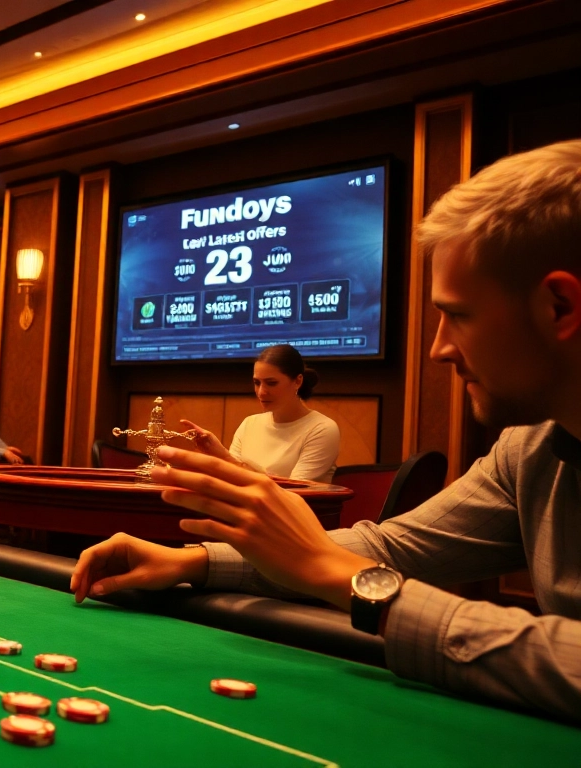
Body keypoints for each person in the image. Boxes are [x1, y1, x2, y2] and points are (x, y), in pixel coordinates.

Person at [70, 139, 581, 723]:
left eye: (458, 315)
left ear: (560, 307)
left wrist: (352, 583)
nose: (439, 348)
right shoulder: (528, 447)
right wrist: (195, 561)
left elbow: (346, 568)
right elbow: (390, 548)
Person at [179, 344, 341, 483]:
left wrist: (225, 457)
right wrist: (212, 456)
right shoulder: (249, 423)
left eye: (271, 383)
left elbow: (292, 496)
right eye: (257, 383)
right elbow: (231, 481)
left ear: (297, 381)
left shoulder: (322, 429)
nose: (261, 392)